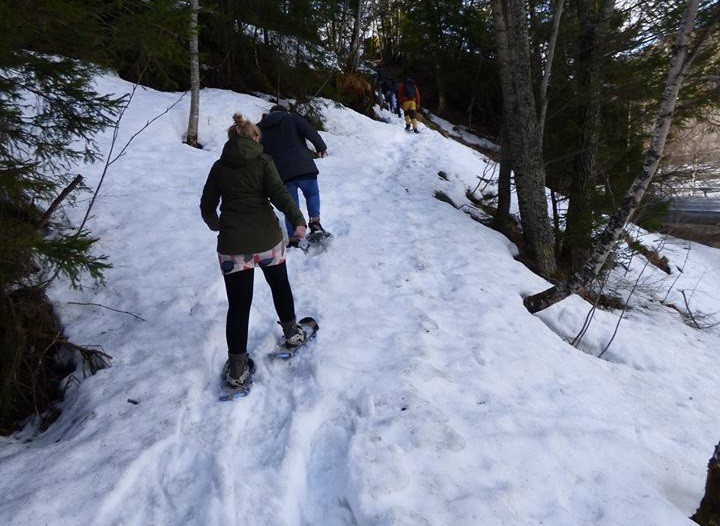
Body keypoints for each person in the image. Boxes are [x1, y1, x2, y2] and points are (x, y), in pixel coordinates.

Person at [200, 113, 309, 389]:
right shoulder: (263, 161)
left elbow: (207, 206)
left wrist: (219, 225)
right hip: (267, 241)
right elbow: (280, 194)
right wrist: (297, 219)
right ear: (255, 138)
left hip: (233, 246)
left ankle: (237, 369)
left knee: (238, 306)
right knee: (279, 286)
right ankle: (292, 334)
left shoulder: (219, 167)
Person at [258, 105, 328, 246]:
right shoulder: (292, 118)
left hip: (282, 174)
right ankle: (315, 223)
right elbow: (310, 131)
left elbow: (260, 152)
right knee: (312, 194)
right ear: (284, 111)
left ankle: (294, 238)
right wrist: (321, 147)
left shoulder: (262, 129)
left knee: (291, 205)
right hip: (304, 167)